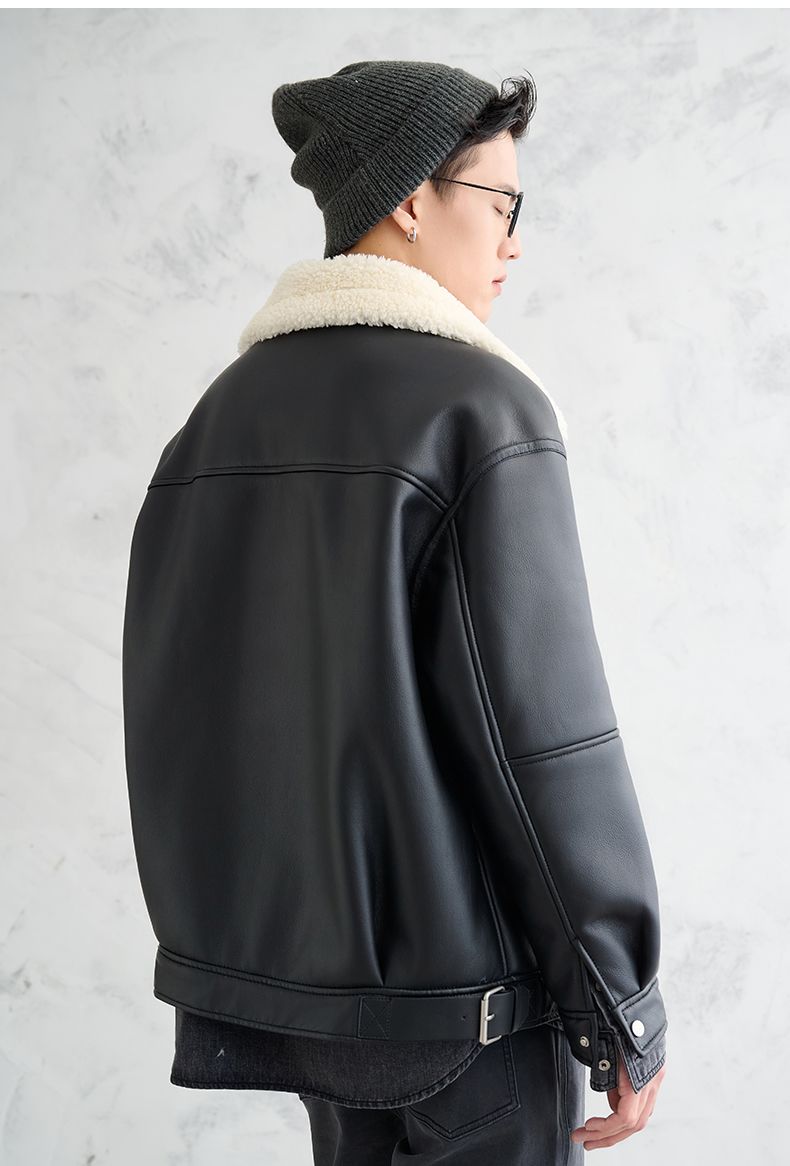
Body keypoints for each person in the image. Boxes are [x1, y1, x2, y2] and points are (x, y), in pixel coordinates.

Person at [121, 59, 668, 1162]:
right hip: (475, 1018)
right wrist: (621, 1003)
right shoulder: (481, 405)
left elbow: (174, 713)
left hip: (320, 1019)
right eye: (502, 202)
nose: (514, 241)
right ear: (413, 198)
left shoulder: (217, 420)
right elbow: (542, 740)